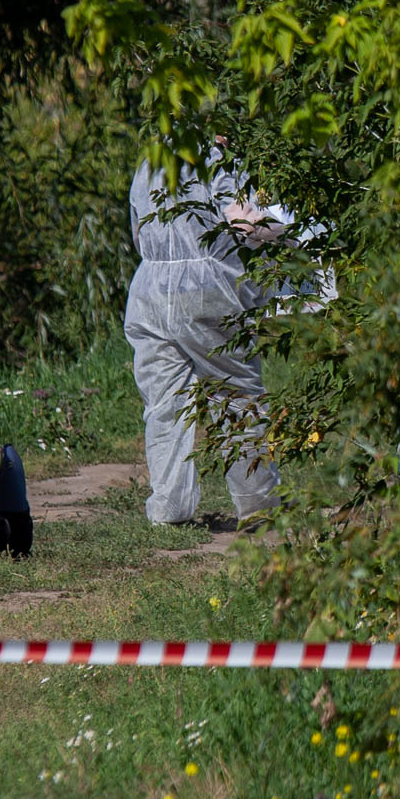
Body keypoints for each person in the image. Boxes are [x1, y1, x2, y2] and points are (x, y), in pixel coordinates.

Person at [124, 148, 284, 527]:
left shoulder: (150, 160)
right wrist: (294, 233)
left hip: (148, 291)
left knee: (164, 402)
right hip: (208, 288)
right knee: (236, 393)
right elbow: (243, 223)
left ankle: (169, 508)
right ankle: (257, 505)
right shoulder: (216, 159)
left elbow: (137, 227)